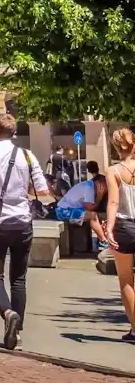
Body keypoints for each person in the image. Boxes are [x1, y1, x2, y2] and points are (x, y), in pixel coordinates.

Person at [0, 112, 50, 350]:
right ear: (13, 133)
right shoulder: (27, 156)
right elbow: (43, 191)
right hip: (23, 222)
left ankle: (7, 313)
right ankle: (18, 335)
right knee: (19, 279)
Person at [104, 127, 135, 343]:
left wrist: (108, 228)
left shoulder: (113, 171)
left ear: (116, 147)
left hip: (124, 227)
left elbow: (113, 202)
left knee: (126, 279)